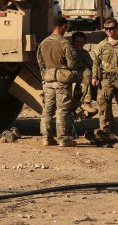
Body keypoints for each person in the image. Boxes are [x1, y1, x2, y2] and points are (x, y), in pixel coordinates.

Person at [37, 15, 81, 147]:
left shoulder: (43, 43)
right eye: (65, 27)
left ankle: (46, 138)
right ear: (63, 26)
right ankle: (63, 139)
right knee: (62, 110)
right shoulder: (64, 43)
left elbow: (41, 63)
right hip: (62, 80)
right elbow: (73, 63)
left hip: (48, 79)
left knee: (47, 110)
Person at [70, 31, 98, 118]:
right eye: (77, 42)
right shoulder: (70, 52)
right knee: (87, 73)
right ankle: (86, 102)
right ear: (73, 42)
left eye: (81, 42)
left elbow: (91, 65)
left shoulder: (84, 53)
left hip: (84, 80)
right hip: (72, 76)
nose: (79, 44)